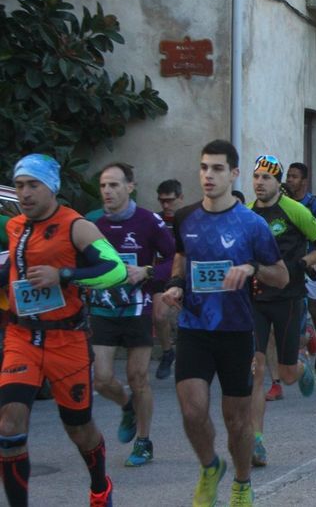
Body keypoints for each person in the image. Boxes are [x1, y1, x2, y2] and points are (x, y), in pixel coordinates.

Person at [161, 140, 288, 507]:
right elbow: (181, 257)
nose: (208, 175)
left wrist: (251, 268)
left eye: (217, 168)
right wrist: (175, 284)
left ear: (233, 174)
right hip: (194, 328)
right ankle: (210, 466)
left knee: (237, 421)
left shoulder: (252, 224)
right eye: (204, 167)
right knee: (192, 410)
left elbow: (281, 276)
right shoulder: (185, 217)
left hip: (236, 332)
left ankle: (242, 482)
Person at [1, 154, 126, 507]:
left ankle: (100, 486)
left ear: (52, 187)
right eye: (20, 185)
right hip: (22, 337)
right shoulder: (15, 226)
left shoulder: (76, 226)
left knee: (79, 428)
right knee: (8, 425)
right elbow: (15, 269)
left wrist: (64, 275)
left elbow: (115, 270)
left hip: (66, 340)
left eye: (33, 185)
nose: (25, 193)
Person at [247, 155, 316, 467]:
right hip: (255, 299)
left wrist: (308, 261)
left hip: (288, 298)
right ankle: (256, 441)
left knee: (286, 374)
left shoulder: (295, 210)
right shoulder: (246, 215)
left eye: (266, 178)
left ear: (278, 182)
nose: (259, 183)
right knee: (255, 372)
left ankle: (300, 367)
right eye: (256, 177)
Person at [92, 162, 176, 468]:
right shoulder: (93, 224)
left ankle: (144, 441)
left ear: (130, 187)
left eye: (114, 185)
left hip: (137, 308)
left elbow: (175, 258)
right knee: (102, 380)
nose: (108, 191)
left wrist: (147, 271)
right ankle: (127, 406)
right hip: (103, 308)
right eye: (103, 185)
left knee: (137, 376)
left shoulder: (148, 221)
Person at [283, 162, 316, 372]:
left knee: (312, 305)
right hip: (289, 263)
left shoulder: (315, 204)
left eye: (294, 176)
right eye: (288, 176)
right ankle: (298, 346)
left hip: (310, 262)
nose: (289, 180)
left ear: (304, 181)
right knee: (295, 304)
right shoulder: (281, 202)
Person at [153, 178, 184, 380]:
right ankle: (167, 352)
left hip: (187, 275)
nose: (166, 205)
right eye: (162, 201)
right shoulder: (155, 221)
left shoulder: (190, 218)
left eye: (170, 200)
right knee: (159, 316)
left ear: (180, 198)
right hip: (162, 275)